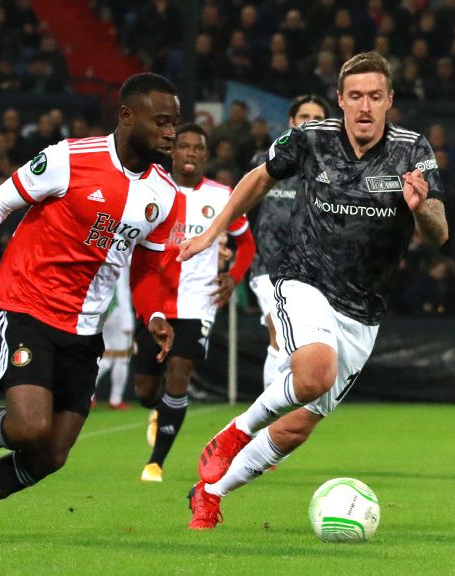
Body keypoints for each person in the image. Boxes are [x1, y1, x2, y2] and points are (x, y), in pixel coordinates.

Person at [0, 73, 181, 540]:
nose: (172, 133)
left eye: (176, 123)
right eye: (163, 122)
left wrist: (154, 314)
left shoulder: (164, 194)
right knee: (28, 428)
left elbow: (147, 269)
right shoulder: (70, 159)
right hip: (30, 305)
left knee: (50, 455)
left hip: (87, 328)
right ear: (127, 116)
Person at [178, 51, 448, 530]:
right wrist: (215, 230)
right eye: (356, 97)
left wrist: (422, 207)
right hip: (305, 279)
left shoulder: (413, 150)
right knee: (315, 372)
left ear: (390, 101)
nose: (365, 107)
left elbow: (439, 234)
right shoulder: (311, 138)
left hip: (364, 309)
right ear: (340, 101)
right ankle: (235, 432)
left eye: (375, 97)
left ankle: (210, 493)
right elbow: (260, 177)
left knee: (298, 424)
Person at [131, 123, 255, 483]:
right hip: (153, 300)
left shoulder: (222, 196)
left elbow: (246, 244)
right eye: (183, 147)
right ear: (173, 152)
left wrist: (233, 278)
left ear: (206, 155)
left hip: (197, 303)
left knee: (179, 372)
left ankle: (156, 462)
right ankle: (158, 411)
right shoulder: (151, 189)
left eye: (197, 148)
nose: (190, 153)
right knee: (144, 390)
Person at [248, 94, 330, 388]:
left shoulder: (333, 172)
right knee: (278, 331)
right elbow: (242, 208)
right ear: (292, 123)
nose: (311, 123)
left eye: (318, 119)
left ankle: (287, 404)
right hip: (267, 267)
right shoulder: (264, 162)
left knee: (301, 343)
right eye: (305, 117)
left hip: (312, 271)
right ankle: (271, 413)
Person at [94, 272, 133, 410]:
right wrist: (127, 320)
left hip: (100, 311)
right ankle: (116, 399)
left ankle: (88, 395)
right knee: (122, 358)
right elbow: (122, 292)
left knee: (106, 357)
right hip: (118, 312)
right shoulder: (121, 258)